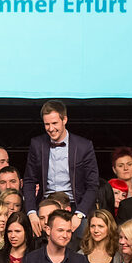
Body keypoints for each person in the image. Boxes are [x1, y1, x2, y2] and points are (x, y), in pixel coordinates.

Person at [21, 100, 99, 234]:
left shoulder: (84, 146)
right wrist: (32, 212)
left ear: (65, 120)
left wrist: (79, 214)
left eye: (54, 123)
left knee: (83, 235)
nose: (50, 129)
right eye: (47, 124)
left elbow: (93, 184)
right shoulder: (37, 144)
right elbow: (29, 181)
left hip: (75, 206)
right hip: (45, 204)